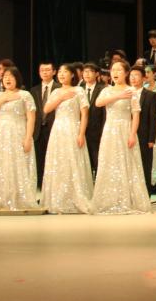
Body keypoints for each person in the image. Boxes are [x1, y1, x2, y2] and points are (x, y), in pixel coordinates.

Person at [91, 60, 150, 213]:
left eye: (119, 70)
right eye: (113, 70)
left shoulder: (132, 91)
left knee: (127, 163)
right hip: (110, 129)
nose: (115, 73)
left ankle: (128, 200)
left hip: (125, 129)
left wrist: (132, 134)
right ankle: (109, 200)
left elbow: (135, 115)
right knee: (109, 162)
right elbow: (98, 103)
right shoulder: (107, 90)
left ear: (126, 73)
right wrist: (118, 96)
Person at [0, 66, 39, 211]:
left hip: (19, 131)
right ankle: (2, 197)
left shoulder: (25, 95)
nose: (7, 79)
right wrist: (5, 97)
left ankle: (20, 198)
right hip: (2, 134)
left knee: (19, 164)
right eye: (5, 76)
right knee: (2, 164)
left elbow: (31, 118)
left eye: (11, 76)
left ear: (17, 79)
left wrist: (28, 138)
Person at [40, 63, 93, 213]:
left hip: (73, 128)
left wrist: (81, 133)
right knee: (59, 162)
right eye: (60, 72)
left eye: (65, 72)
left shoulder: (79, 90)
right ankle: (59, 199)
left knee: (73, 162)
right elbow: (46, 109)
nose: (62, 75)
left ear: (72, 75)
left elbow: (84, 114)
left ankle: (75, 197)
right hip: (58, 130)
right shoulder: (56, 91)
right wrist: (61, 97)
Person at [128, 65, 156, 195]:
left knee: (145, 164)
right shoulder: (125, 93)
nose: (133, 78)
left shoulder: (151, 95)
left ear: (143, 78)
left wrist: (151, 138)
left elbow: (153, 118)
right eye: (131, 75)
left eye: (136, 75)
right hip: (126, 132)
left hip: (144, 135)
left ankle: (146, 193)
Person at [29, 62, 58, 185]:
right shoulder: (33, 90)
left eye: (47, 70)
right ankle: (41, 186)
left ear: (54, 72)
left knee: (54, 159)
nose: (45, 72)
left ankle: (53, 185)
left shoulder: (59, 88)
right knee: (39, 160)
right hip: (38, 130)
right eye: (42, 70)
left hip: (54, 128)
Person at [81, 62, 106, 174]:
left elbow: (105, 112)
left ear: (97, 74)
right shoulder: (79, 89)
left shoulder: (102, 89)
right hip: (81, 129)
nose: (87, 74)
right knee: (83, 159)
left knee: (97, 157)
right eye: (85, 71)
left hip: (97, 128)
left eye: (90, 71)